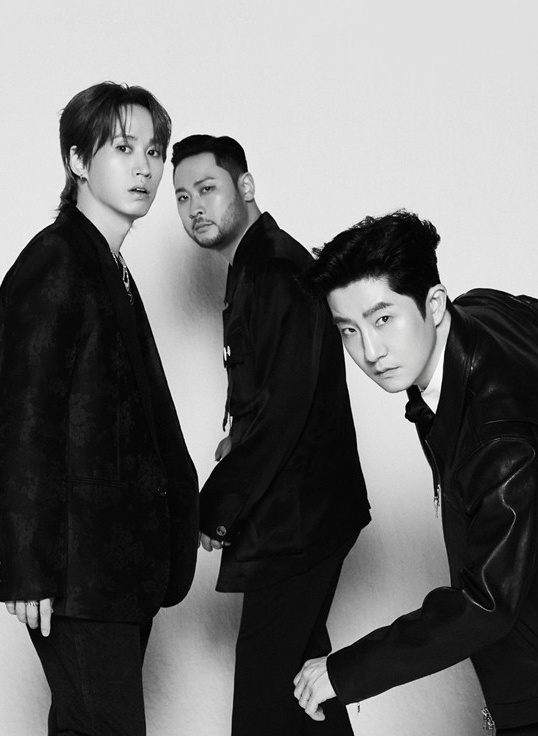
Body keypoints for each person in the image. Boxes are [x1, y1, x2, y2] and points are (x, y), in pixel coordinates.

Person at [293, 209, 538, 734]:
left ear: (435, 305)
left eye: (383, 319)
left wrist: (344, 672)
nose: (370, 352)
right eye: (349, 330)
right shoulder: (492, 311)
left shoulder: (498, 436)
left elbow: (487, 601)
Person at [0, 81, 199, 736]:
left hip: (116, 566)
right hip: (74, 568)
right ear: (76, 160)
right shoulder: (55, 261)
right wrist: (28, 568)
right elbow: (23, 422)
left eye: (154, 151)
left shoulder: (108, 265)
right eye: (123, 148)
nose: (144, 167)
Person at [171, 134, 371, 736]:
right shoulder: (254, 268)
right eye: (182, 197)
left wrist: (217, 507)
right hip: (297, 512)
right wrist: (237, 436)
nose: (195, 208)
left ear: (246, 186)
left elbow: (284, 408)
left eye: (207, 189)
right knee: (306, 687)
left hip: (300, 520)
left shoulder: (278, 270)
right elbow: (273, 394)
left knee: (261, 705)